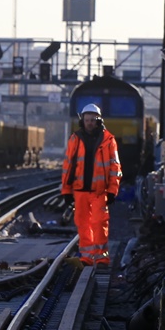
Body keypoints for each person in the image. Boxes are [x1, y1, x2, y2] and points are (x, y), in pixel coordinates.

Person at [60, 104, 122, 264]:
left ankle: (101, 258)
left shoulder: (109, 140)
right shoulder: (75, 139)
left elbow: (115, 167)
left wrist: (112, 190)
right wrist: (66, 190)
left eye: (92, 120)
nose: (89, 123)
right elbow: (68, 166)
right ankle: (87, 257)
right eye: (87, 120)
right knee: (83, 224)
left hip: (99, 192)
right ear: (82, 121)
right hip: (80, 191)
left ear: (98, 121)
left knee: (99, 223)